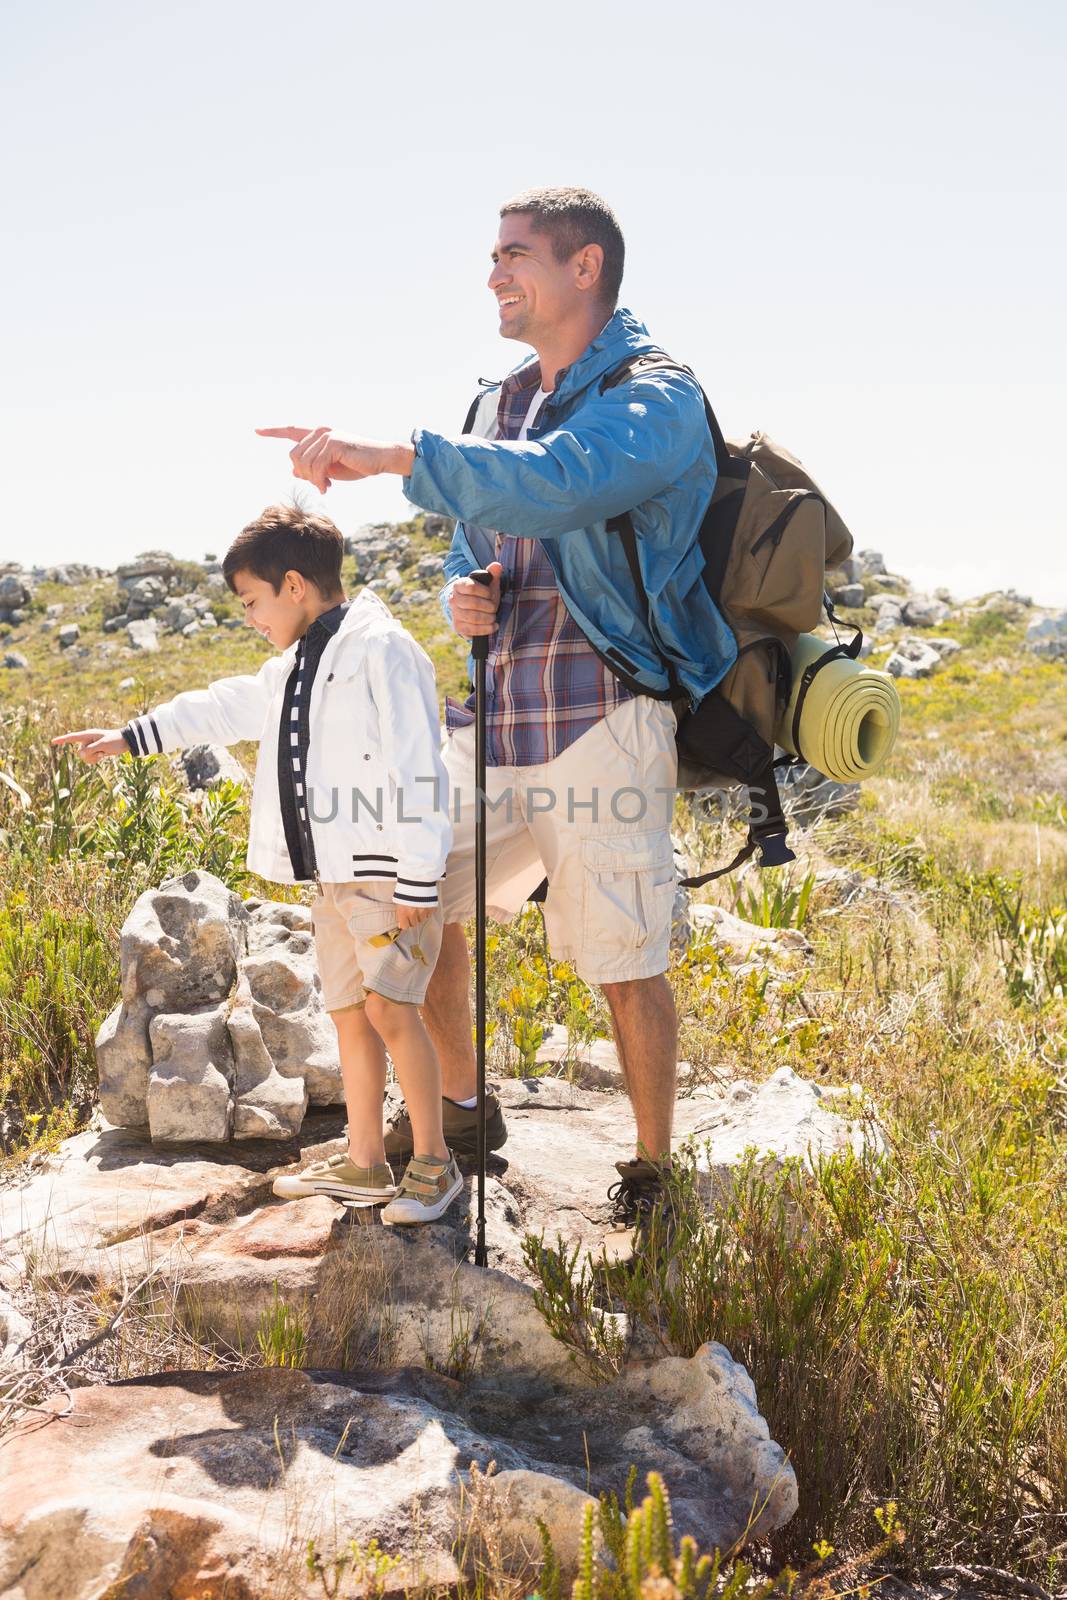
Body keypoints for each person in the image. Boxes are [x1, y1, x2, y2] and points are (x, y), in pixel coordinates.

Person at [257, 187, 737, 1259]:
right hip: (494, 715)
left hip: (602, 712)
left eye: (514, 255)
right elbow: (473, 538)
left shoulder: (653, 396)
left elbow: (558, 486)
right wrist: (456, 594)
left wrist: (387, 458)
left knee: (622, 952)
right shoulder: (494, 401)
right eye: (490, 257)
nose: (492, 275)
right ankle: (464, 1117)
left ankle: (651, 1170)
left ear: (585, 268)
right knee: (416, 892)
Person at [52, 504, 465, 1225]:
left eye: (252, 601)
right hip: (331, 878)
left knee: (392, 1009)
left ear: (296, 585)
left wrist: (417, 877)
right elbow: (222, 707)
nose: (249, 616)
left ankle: (434, 1164)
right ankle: (365, 1162)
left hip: (385, 875)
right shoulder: (293, 666)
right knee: (349, 1016)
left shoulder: (383, 648)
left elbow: (420, 764)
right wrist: (130, 736)